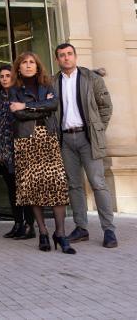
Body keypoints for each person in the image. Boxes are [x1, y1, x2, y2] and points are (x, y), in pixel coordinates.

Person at [10, 52, 75, 254]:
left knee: (56, 184)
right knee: (34, 187)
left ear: (37, 67)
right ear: (18, 68)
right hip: (26, 141)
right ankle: (44, 232)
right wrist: (40, 107)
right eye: (24, 63)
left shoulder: (47, 86)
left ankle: (61, 233)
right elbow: (18, 113)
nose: (28, 65)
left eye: (32, 63)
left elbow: (53, 105)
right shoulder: (13, 90)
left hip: (48, 138)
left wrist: (28, 105)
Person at [53, 43, 117, 248]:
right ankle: (81, 228)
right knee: (74, 185)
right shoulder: (53, 82)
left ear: (75, 56)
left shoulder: (92, 78)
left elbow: (105, 107)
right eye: (62, 55)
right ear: (57, 60)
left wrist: (98, 129)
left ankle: (109, 230)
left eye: (69, 54)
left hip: (87, 138)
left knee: (98, 183)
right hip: (65, 140)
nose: (66, 58)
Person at [0, 65, 35, 240]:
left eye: (8, 76)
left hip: (19, 147)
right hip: (3, 150)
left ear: (14, 77)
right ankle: (18, 223)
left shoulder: (21, 95)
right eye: (1, 76)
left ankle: (30, 225)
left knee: (24, 189)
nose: (5, 79)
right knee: (12, 190)